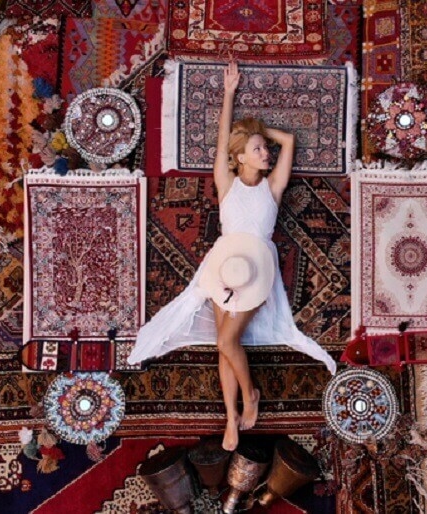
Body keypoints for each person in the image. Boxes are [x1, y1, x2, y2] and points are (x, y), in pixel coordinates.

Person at [127, 62, 337, 451]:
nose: (266, 153)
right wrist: (229, 94)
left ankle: (251, 394)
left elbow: (287, 140)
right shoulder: (226, 183)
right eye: (258, 150)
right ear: (240, 157)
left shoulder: (272, 188)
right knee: (224, 345)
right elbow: (223, 140)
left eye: (263, 149)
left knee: (226, 342)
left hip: (254, 269)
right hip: (223, 265)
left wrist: (257, 131)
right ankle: (230, 418)